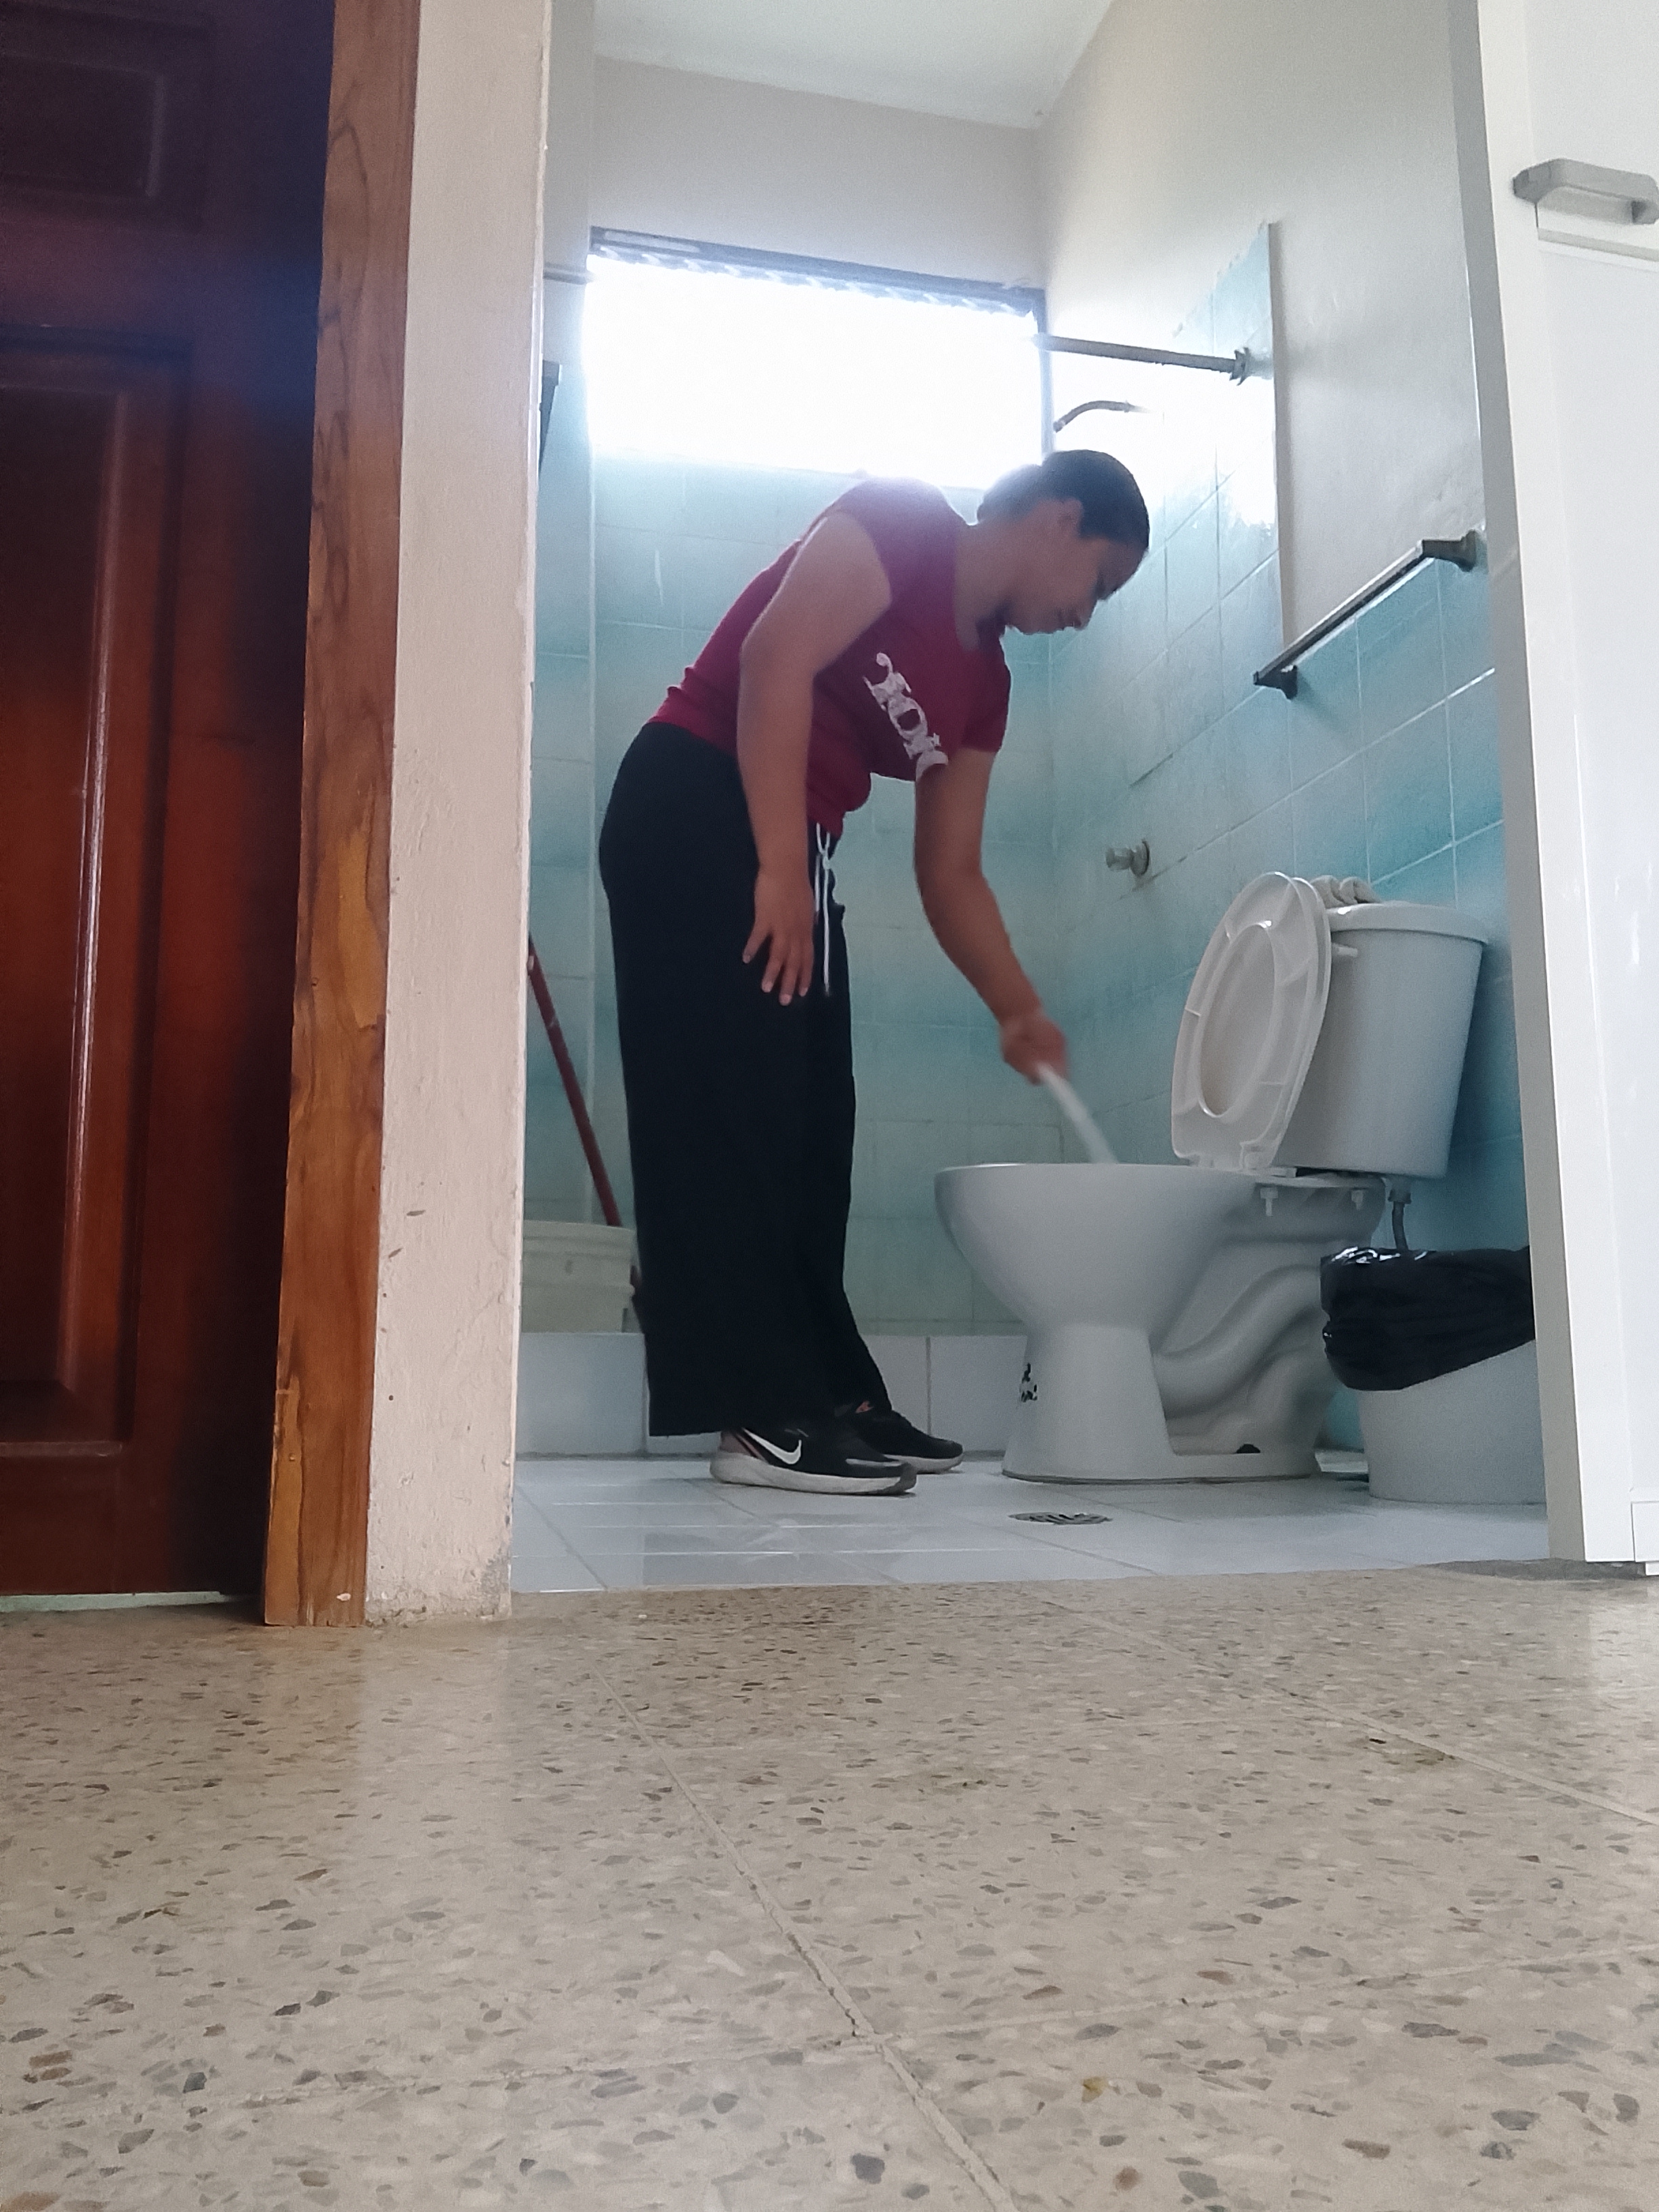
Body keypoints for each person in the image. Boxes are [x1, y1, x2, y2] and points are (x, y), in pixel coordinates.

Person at [598, 448, 1149, 1497]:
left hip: (786, 841)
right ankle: (757, 1411)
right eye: (1098, 583)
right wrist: (774, 864)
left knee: (815, 1122)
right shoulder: (906, 525)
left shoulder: (986, 687)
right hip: (697, 797)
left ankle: (829, 1390)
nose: (1086, 616)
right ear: (1060, 518)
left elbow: (951, 871)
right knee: (736, 1109)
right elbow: (775, 656)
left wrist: (1017, 1007)